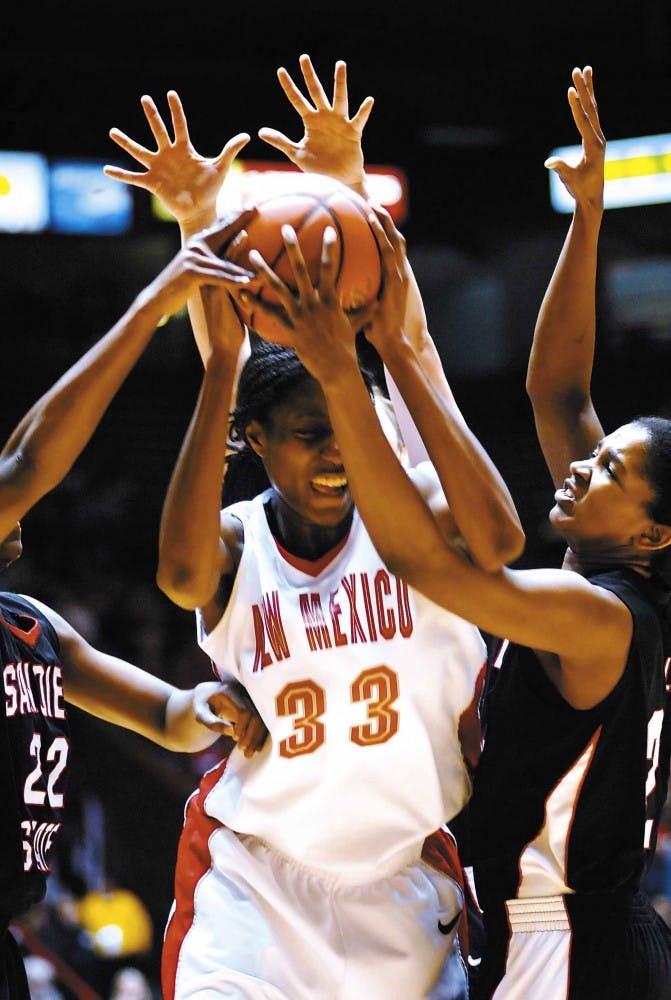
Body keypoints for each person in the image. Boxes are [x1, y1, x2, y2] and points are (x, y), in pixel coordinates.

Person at [239, 66, 671, 998]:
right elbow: (557, 392)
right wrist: (587, 218)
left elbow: (422, 559)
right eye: (595, 457)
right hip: (562, 930)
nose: (580, 467)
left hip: (564, 942)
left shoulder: (596, 616)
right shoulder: (620, 575)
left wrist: (346, 368)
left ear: (654, 534)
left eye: (607, 474)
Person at [114, 56, 525, 999]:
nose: (335, 454)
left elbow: (407, 342)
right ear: (255, 441)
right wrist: (196, 212)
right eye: (308, 436)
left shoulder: (421, 512)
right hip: (255, 885)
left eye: (351, 428)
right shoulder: (233, 542)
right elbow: (223, 367)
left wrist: (343, 192)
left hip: (406, 887)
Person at [0, 216, 268, 1000]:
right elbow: (27, 460)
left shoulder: (33, 627)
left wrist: (209, 706)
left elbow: (165, 717)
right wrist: (154, 302)